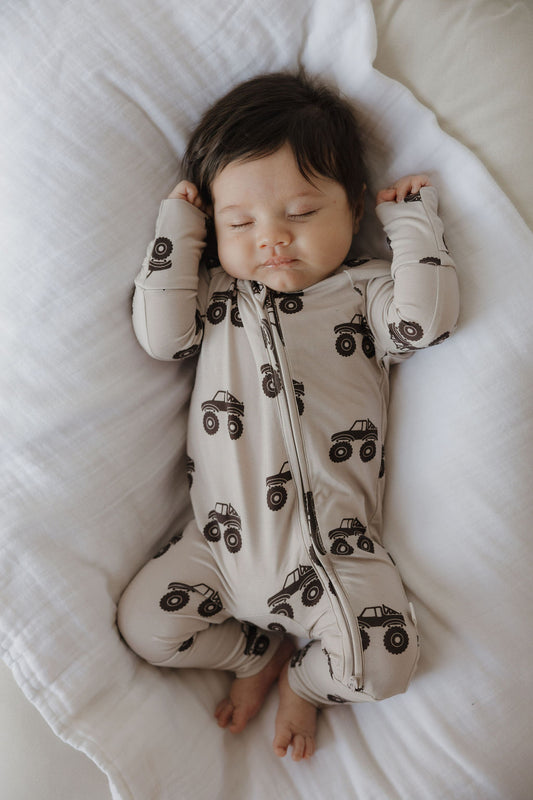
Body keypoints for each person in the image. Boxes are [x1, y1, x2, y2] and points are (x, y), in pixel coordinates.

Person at [117, 71, 459, 761]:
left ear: (352, 206)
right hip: (216, 547)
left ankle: (304, 680)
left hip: (335, 553)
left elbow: (423, 324)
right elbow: (159, 336)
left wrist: (413, 226)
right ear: (216, 227)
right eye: (240, 223)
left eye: (300, 214)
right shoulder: (215, 297)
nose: (272, 239)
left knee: (384, 666)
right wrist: (177, 231)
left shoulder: (364, 294)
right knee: (145, 628)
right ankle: (253, 656)